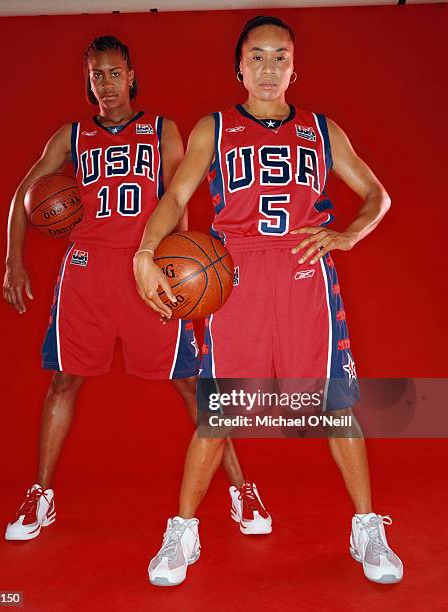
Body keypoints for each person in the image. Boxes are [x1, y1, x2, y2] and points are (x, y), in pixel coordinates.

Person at [134, 16, 403, 586]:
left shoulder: (323, 130)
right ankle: (183, 530)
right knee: (220, 411)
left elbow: (378, 194)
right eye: (257, 56)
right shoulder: (215, 127)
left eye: (280, 57)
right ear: (239, 66)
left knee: (334, 405)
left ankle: (366, 526)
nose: (268, 68)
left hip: (307, 276)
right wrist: (146, 251)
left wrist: (349, 233)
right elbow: (177, 191)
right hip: (235, 279)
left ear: (294, 69)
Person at [2, 35, 270, 542]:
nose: (105, 83)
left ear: (131, 75)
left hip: (148, 270)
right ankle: (41, 494)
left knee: (193, 386)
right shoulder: (72, 135)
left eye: (113, 72)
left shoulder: (161, 129)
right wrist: (13, 260)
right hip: (86, 273)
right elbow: (24, 193)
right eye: (95, 75)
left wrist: (181, 274)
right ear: (89, 82)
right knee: (63, 381)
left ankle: (242, 488)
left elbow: (180, 198)